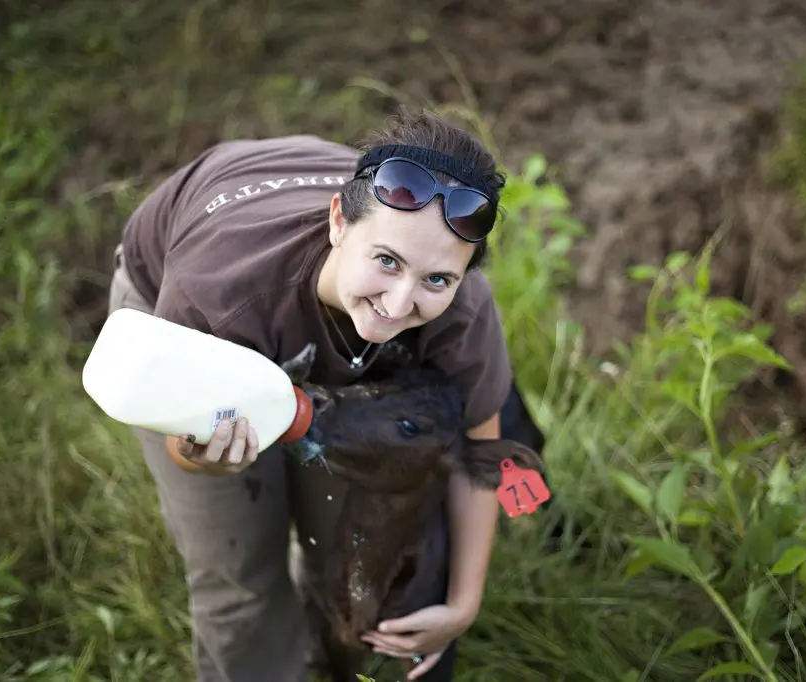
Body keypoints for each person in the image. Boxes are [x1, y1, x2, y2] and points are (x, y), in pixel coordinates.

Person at [105, 107, 514, 682]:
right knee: (239, 572)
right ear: (339, 224)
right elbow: (184, 447)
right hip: (186, 305)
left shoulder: (460, 311)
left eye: (436, 280)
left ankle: (335, 648)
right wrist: (202, 453)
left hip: (305, 272)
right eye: (387, 261)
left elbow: (480, 444)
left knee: (350, 532)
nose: (399, 304)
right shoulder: (219, 296)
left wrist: (465, 603)